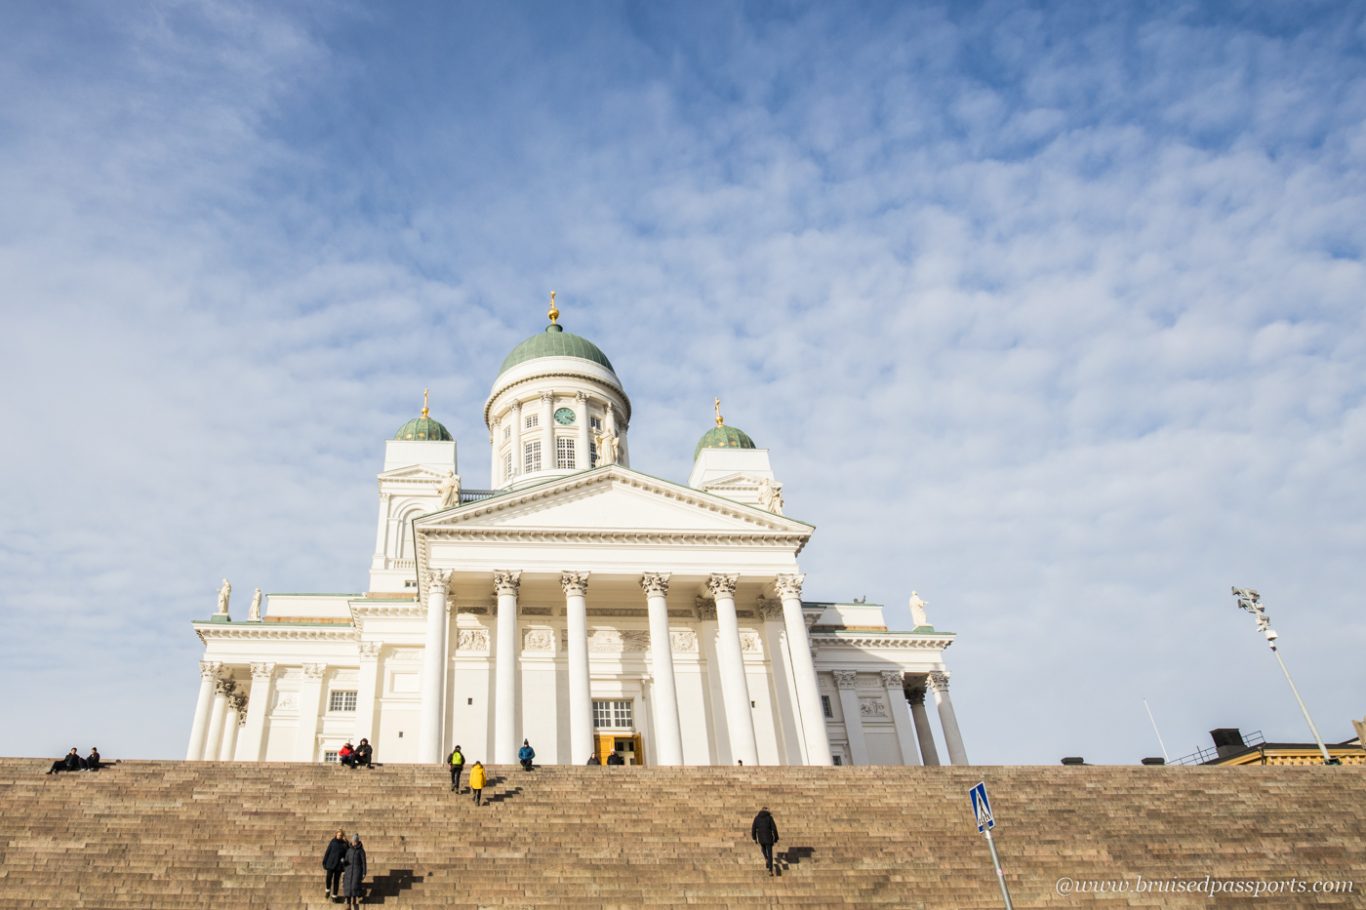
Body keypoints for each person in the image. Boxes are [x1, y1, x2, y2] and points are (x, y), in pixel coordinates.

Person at [751, 807, 780, 875]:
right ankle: (770, 870)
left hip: (760, 836)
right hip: (768, 836)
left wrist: (754, 838)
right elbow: (774, 828)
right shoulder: (769, 818)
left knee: (763, 847)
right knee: (770, 853)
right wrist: (776, 838)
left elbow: (753, 828)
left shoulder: (757, 818)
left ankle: (766, 858)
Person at [342, 833, 367, 908]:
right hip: (348, 871)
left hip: (357, 871)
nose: (354, 843)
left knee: (354, 886)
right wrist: (343, 863)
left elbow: (363, 862)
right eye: (353, 841)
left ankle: (354, 901)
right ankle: (348, 905)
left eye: (355, 841)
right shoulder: (349, 850)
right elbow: (346, 860)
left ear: (358, 841)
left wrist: (364, 872)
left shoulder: (361, 851)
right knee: (348, 887)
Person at [322, 829, 347, 902]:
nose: (339, 836)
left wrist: (347, 842)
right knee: (328, 877)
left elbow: (347, 852)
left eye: (341, 835)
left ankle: (334, 896)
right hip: (331, 863)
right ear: (336, 834)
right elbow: (328, 851)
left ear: (343, 836)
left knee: (336, 881)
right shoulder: (333, 842)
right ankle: (327, 890)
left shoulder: (344, 844)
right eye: (338, 835)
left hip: (339, 865)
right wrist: (324, 861)